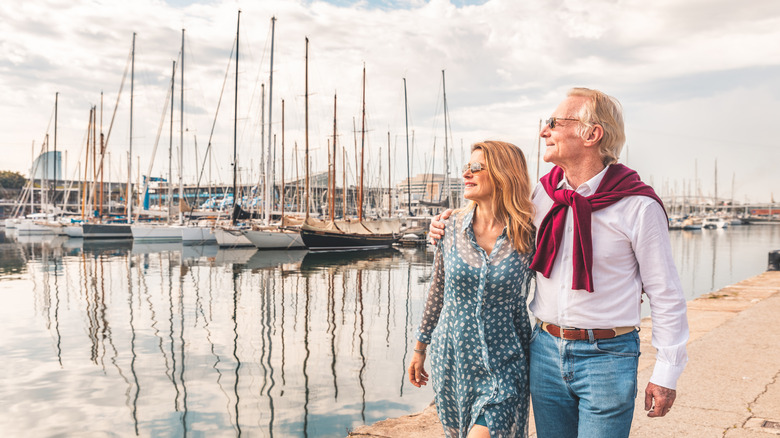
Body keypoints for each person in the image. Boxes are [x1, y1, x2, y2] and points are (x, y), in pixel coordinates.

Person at [429, 88, 689, 438]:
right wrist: (443, 224)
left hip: (607, 356)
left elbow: (665, 292)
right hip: (545, 350)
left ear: (591, 134)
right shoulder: (541, 196)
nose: (543, 132)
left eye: (553, 123)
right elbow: (491, 216)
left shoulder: (638, 206)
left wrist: (666, 373)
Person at [408, 141, 536, 438]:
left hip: (507, 361)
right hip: (454, 359)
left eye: (477, 167)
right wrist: (419, 349)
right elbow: (438, 290)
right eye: (467, 167)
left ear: (505, 174)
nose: (467, 173)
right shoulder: (449, 227)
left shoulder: (529, 232)